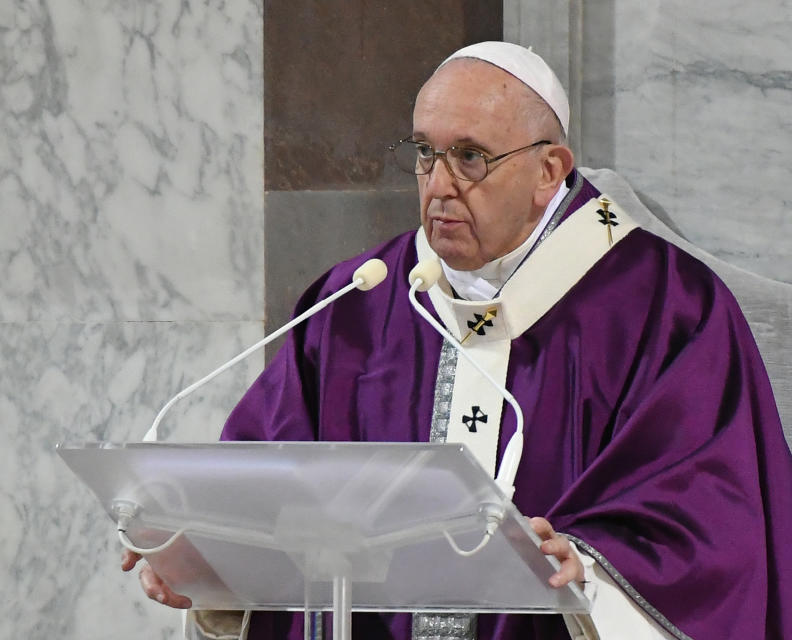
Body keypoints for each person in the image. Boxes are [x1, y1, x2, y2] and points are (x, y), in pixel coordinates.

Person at [122, 42, 792, 639]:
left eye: (471, 157)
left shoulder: (666, 306)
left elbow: (714, 525)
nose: (438, 186)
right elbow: (263, 485)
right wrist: (206, 559)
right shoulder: (357, 303)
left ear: (549, 171)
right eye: (424, 153)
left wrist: (589, 569)